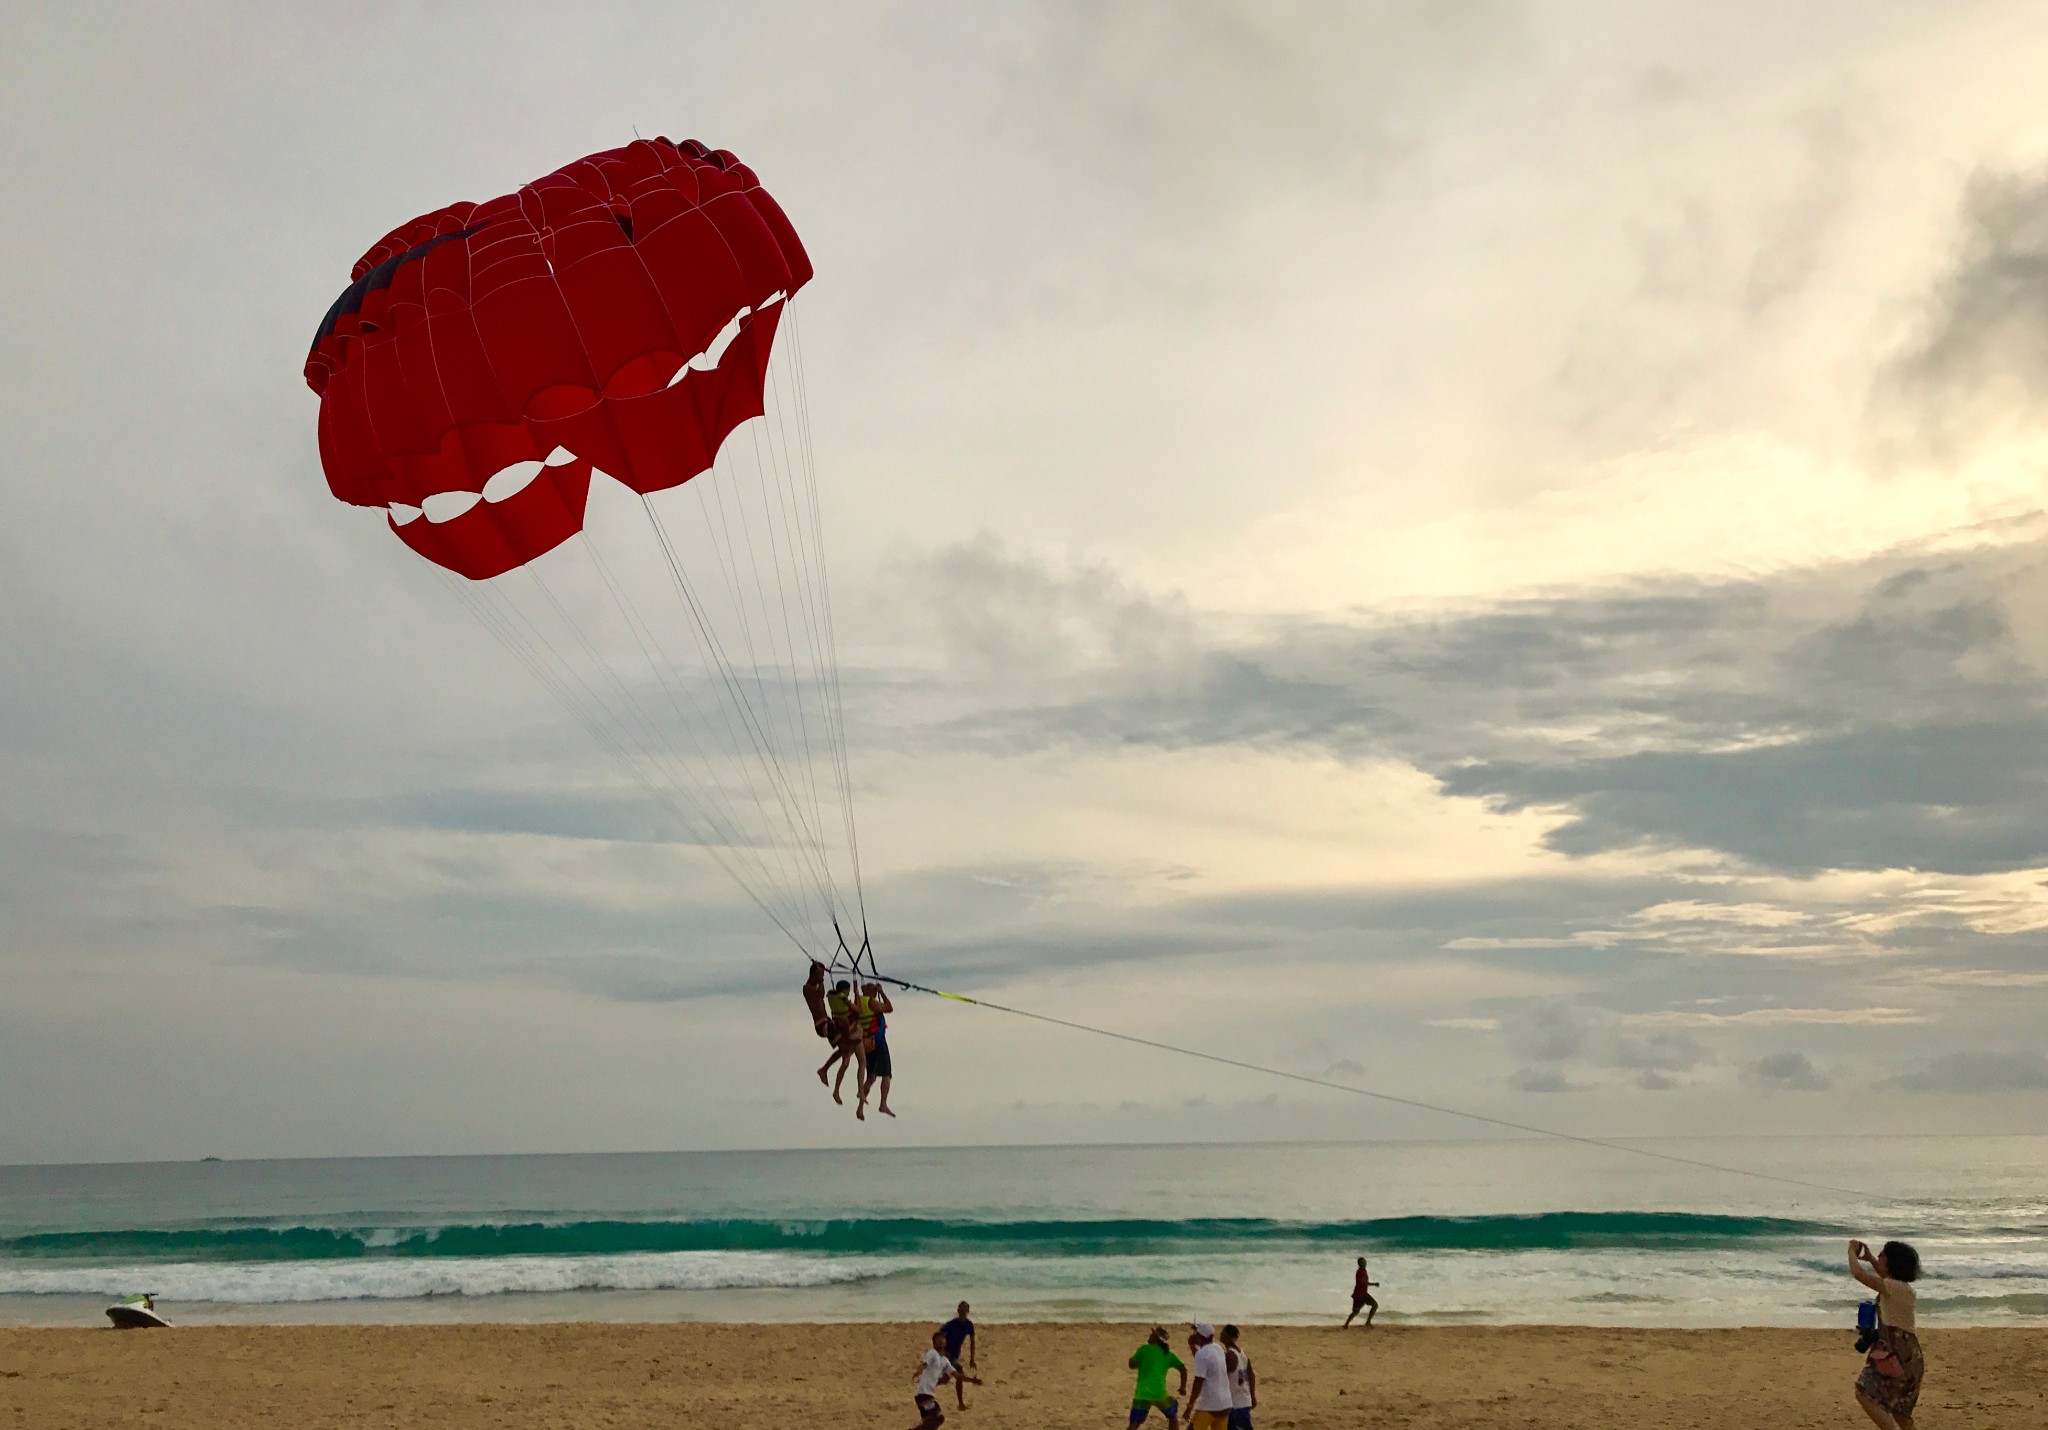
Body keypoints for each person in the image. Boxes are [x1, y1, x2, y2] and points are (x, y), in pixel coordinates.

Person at [1849, 1238, 1923, 1430]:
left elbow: (1858, 1274)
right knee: (1902, 1415)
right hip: (1909, 1356)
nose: (1880, 1257)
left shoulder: (1893, 1287)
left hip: (1897, 1355)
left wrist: (1851, 1251)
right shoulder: (1902, 1288)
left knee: (1863, 1391)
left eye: (1883, 1255)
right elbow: (1884, 1277)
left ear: (1892, 1262)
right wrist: (1871, 1258)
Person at [909, 1327, 979, 1430]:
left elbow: (957, 1375)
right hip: (922, 1394)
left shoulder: (945, 1361)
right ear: (934, 1343)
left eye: (943, 1339)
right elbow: (924, 1364)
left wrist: (972, 1380)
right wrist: (918, 1371)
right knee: (938, 1416)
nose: (941, 1340)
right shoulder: (932, 1353)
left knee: (932, 1423)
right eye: (938, 1339)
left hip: (928, 1394)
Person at [817, 978, 865, 1104]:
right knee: (859, 1062)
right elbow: (858, 1010)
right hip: (849, 1031)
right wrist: (857, 995)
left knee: (845, 1060)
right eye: (848, 991)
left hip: (839, 1030)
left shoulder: (833, 997)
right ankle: (859, 1090)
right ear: (845, 990)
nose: (848, 993)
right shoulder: (843, 999)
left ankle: (832, 1082)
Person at [1127, 1325, 1186, 1427]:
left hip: (1142, 1392)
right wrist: (1183, 1387)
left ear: (1156, 1339)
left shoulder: (1144, 1349)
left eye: (1152, 1335)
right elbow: (1183, 1369)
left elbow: (1131, 1365)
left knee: (1134, 1423)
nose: (1150, 1336)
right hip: (1159, 1393)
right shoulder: (1168, 1354)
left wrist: (1134, 1360)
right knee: (1172, 1415)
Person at [857, 981, 897, 1120]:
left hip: (866, 1044)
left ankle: (860, 1107)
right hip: (878, 1043)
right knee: (886, 1074)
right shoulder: (872, 1003)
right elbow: (889, 1008)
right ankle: (883, 1103)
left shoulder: (858, 1002)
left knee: (871, 1077)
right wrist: (882, 992)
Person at [1186, 1323, 1234, 1430]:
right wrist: (1192, 1347)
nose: (1193, 1335)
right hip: (1226, 1403)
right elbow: (1204, 1362)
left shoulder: (1202, 1354)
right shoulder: (1218, 1348)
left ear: (1200, 1336)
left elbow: (1198, 1381)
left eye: (1196, 1333)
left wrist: (1189, 1406)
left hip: (1210, 1405)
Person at [940, 1301, 977, 1409]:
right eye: (960, 1311)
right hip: (947, 1354)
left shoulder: (969, 1325)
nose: (962, 1313)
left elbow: (972, 1342)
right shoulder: (951, 1324)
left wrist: (972, 1359)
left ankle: (927, 1385)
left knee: (946, 1379)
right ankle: (961, 1404)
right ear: (958, 1311)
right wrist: (943, 1350)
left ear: (967, 1312)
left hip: (955, 1354)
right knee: (959, 1371)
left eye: (964, 1311)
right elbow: (940, 1335)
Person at [1219, 1325, 1256, 1430]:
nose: (1220, 1334)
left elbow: (1221, 1375)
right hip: (1244, 1400)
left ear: (1227, 1336)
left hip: (1235, 1404)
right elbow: (1251, 1376)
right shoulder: (1242, 1354)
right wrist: (1252, 1396)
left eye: (1223, 1333)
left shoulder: (1230, 1355)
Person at [1343, 1256, 1378, 1327]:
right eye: (1363, 1262)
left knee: (1375, 1305)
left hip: (1364, 1294)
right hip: (1358, 1295)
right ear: (1360, 1264)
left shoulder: (1364, 1271)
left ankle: (1368, 1322)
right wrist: (1373, 1284)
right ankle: (1346, 1324)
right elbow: (1363, 1282)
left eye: (1365, 1261)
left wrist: (1373, 1284)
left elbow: (1365, 1282)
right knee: (1356, 1311)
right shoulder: (1359, 1272)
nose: (1365, 1263)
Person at [802, 961, 833, 1039]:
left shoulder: (816, 986)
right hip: (821, 1024)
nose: (821, 977)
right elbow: (821, 994)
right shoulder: (807, 988)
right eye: (820, 975)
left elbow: (821, 993)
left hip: (826, 1020)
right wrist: (821, 979)